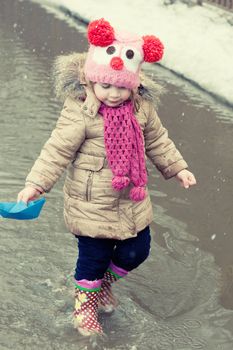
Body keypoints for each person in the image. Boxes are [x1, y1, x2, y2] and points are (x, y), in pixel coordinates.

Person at [17, 18, 196, 336]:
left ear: (134, 85)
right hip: (91, 204)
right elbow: (56, 151)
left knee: (137, 251)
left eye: (122, 87)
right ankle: (84, 306)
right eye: (106, 85)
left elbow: (157, 141)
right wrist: (35, 184)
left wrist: (178, 167)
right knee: (93, 257)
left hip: (131, 200)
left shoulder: (142, 109)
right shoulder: (80, 112)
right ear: (89, 80)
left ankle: (102, 286)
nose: (113, 94)